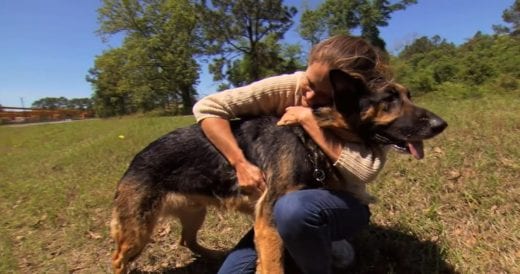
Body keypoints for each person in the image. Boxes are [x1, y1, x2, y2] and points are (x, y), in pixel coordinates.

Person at [192, 35, 389, 274]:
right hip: (283, 201)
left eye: (325, 96)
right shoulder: (289, 87)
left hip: (337, 204)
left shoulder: (370, 110)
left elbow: (365, 170)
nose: (308, 98)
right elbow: (208, 107)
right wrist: (239, 162)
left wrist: (309, 120)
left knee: (294, 209)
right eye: (310, 84)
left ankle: (329, 240)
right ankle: (300, 239)